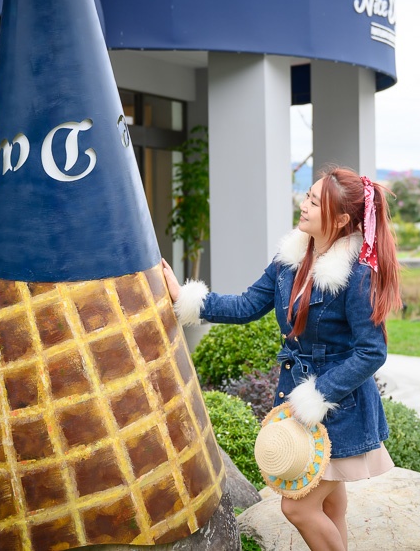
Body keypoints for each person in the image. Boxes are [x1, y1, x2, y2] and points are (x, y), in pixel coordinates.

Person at [163, 165, 401, 551]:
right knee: (330, 503)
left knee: (299, 509)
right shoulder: (290, 258)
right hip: (302, 401)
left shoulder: (358, 274)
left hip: (338, 406)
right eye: (306, 195)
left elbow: (372, 351)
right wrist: (183, 298)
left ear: (341, 219)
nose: (303, 205)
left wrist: (319, 394)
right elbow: (247, 304)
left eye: (313, 201)